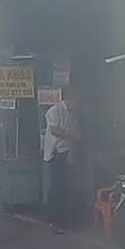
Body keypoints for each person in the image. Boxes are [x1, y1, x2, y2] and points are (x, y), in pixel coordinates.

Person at [43, 91, 80, 233]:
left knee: (64, 187)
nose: (78, 104)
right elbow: (54, 130)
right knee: (57, 187)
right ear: (70, 99)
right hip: (55, 153)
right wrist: (72, 135)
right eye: (77, 101)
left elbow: (75, 133)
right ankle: (54, 220)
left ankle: (63, 219)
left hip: (67, 153)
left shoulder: (73, 115)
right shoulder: (54, 111)